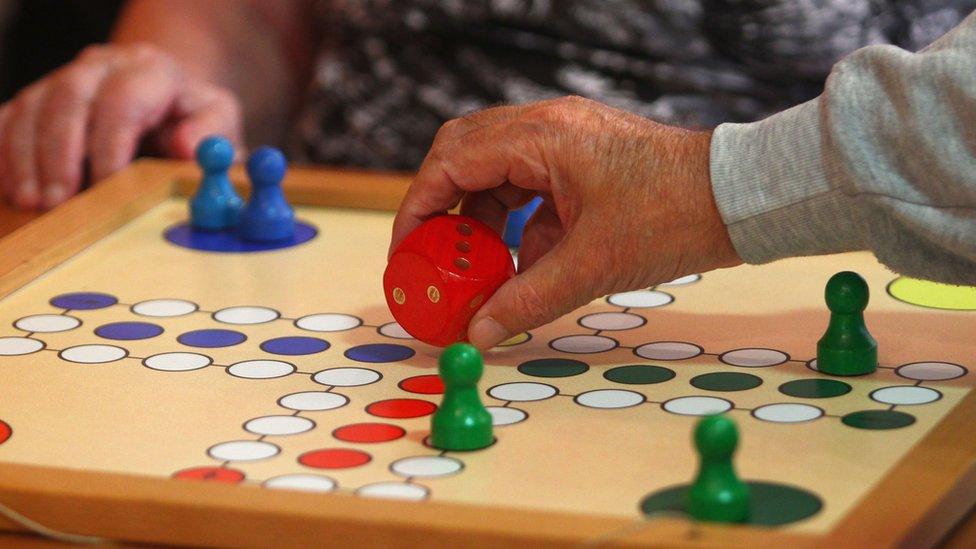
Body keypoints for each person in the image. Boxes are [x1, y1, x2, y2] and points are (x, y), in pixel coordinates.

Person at [0, 2, 974, 348]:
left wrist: (711, 186)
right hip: (337, 264)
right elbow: (253, 16)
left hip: (861, 256)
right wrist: (174, 81)